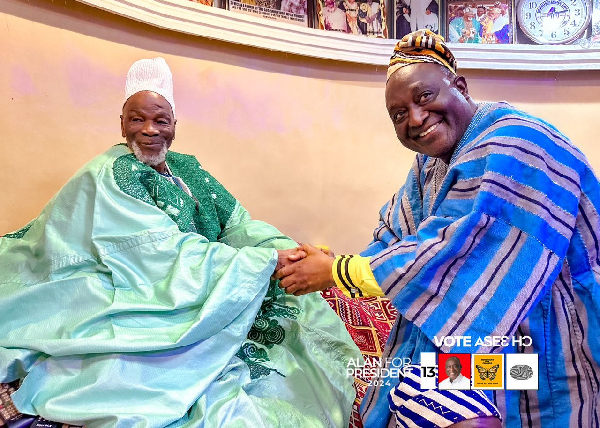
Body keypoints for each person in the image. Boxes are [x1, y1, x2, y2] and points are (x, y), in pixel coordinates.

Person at [0, 57, 361, 427]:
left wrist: (285, 251)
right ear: (121, 123)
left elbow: (237, 225)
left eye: (160, 120)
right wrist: (262, 264)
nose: (149, 131)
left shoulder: (188, 168)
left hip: (201, 277)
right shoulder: (109, 172)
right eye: (137, 118)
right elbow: (155, 256)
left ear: (174, 126)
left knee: (301, 318)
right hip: (125, 282)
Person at [276, 29, 600, 427]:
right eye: (398, 114)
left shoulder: (517, 141)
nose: (414, 118)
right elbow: (395, 241)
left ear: (459, 87)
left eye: (424, 97)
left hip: (554, 340)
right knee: (419, 388)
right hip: (487, 342)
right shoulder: (430, 167)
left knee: (451, 400)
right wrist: (334, 264)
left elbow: (455, 253)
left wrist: (335, 272)